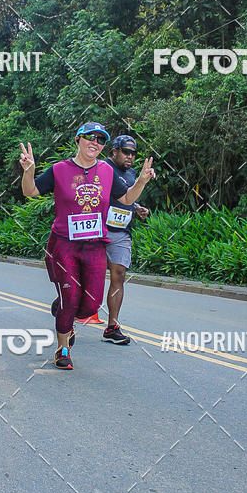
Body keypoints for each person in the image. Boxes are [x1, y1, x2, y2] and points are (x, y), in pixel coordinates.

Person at [19, 122, 155, 371]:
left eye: (100, 139)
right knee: (71, 297)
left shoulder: (106, 171)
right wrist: (29, 171)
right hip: (64, 244)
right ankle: (63, 349)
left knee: (91, 305)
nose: (95, 142)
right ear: (78, 140)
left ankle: (63, 308)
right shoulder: (60, 169)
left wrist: (142, 181)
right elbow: (31, 191)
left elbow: (126, 198)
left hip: (94, 245)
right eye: (89, 137)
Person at [102, 136, 151, 344]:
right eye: (125, 152)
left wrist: (137, 207)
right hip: (98, 230)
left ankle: (112, 327)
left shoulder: (131, 174)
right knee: (89, 276)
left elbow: (127, 196)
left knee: (119, 275)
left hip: (121, 231)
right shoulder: (102, 168)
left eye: (133, 153)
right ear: (114, 151)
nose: (130, 156)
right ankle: (68, 315)